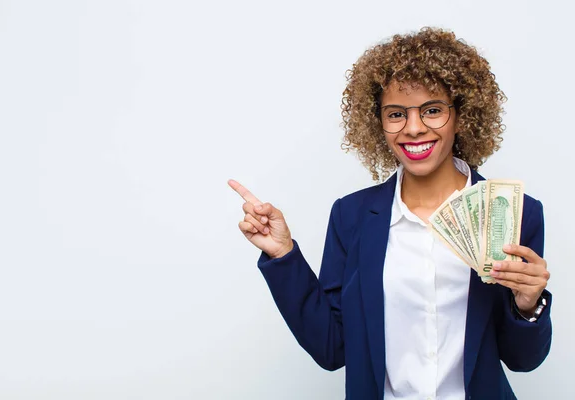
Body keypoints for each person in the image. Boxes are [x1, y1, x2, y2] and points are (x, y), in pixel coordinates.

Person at [228, 27, 551, 400]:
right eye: (396, 114)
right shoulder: (351, 217)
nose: (413, 129)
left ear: (461, 115)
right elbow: (333, 348)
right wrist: (282, 256)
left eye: (432, 110)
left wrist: (528, 306)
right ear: (377, 123)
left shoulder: (517, 213)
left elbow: (523, 360)